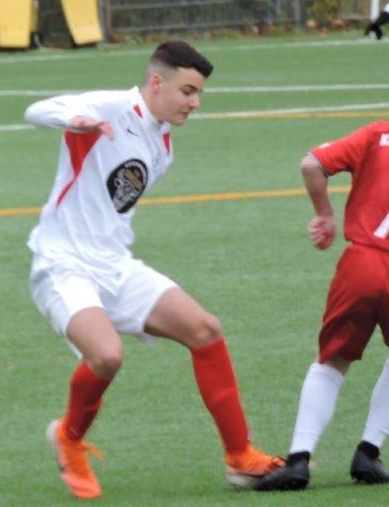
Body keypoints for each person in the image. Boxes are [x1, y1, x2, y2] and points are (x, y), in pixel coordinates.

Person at [24, 40, 282, 500]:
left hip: (115, 265)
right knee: (107, 356)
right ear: (157, 82)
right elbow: (37, 111)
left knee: (205, 329)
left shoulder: (163, 144)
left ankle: (240, 458)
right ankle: (68, 436)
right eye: (188, 91)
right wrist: (74, 120)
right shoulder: (111, 107)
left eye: (198, 93)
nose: (195, 103)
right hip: (63, 263)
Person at [254, 122, 389, 491]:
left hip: (362, 263)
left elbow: (312, 163)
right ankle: (368, 452)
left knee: (332, 361)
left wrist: (325, 214)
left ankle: (298, 460)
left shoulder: (379, 133)